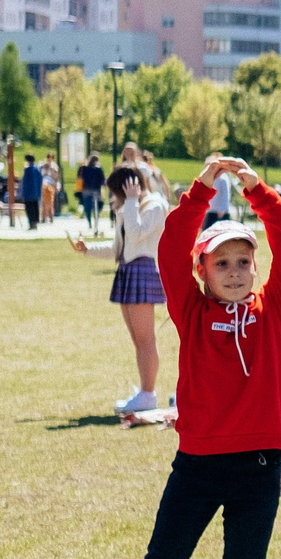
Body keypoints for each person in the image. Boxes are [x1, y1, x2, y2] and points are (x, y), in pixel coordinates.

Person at [78, 157, 281, 559]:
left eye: (243, 262)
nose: (234, 271)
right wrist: (203, 188)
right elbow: (173, 242)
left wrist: (258, 192)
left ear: (256, 269)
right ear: (201, 272)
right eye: (221, 263)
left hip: (259, 465)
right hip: (199, 465)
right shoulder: (190, 310)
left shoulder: (271, 310)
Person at [68, 164, 171, 413]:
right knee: (138, 340)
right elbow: (120, 248)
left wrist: (132, 203)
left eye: (116, 192)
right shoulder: (129, 207)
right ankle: (146, 391)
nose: (114, 199)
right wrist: (89, 249)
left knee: (146, 339)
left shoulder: (154, 205)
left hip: (143, 272)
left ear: (128, 187)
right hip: (127, 271)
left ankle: (148, 394)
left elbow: (136, 237)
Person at [77, 153, 106, 232]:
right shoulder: (98, 169)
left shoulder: (84, 168)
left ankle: (89, 221)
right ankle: (94, 222)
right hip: (95, 190)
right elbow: (103, 179)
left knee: (87, 207)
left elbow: (80, 177)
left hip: (86, 190)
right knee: (96, 207)